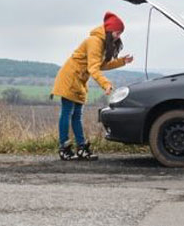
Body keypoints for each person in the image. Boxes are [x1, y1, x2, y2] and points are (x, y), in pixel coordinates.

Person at [51, 11, 133, 160]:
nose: (118, 36)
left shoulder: (101, 42)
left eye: (120, 33)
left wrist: (122, 61)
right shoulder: (95, 41)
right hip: (70, 78)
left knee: (77, 116)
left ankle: (81, 148)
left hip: (79, 80)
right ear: (109, 30)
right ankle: (64, 148)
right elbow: (93, 68)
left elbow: (101, 65)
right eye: (117, 33)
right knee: (67, 113)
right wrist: (106, 84)